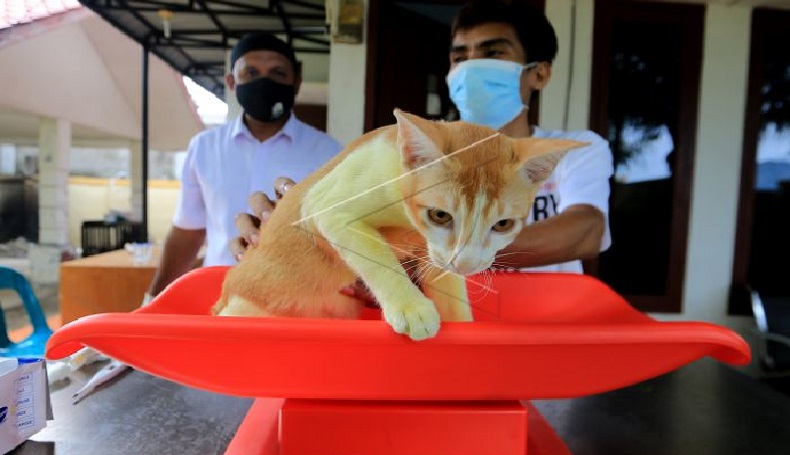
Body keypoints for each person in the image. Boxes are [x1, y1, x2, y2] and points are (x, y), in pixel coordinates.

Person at [235, 0, 612, 278]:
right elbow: (355, 228)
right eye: (460, 56)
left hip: (542, 335)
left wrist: (443, 248)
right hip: (446, 331)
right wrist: (296, 226)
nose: (470, 66)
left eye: (493, 52)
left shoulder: (573, 150)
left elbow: (585, 231)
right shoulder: (416, 152)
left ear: (540, 74)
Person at [146, 32, 343, 299]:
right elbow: (187, 233)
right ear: (231, 82)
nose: (264, 82)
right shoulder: (204, 148)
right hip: (217, 298)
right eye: (250, 72)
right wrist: (152, 299)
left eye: (278, 73)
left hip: (295, 300)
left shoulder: (329, 153)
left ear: (296, 82)